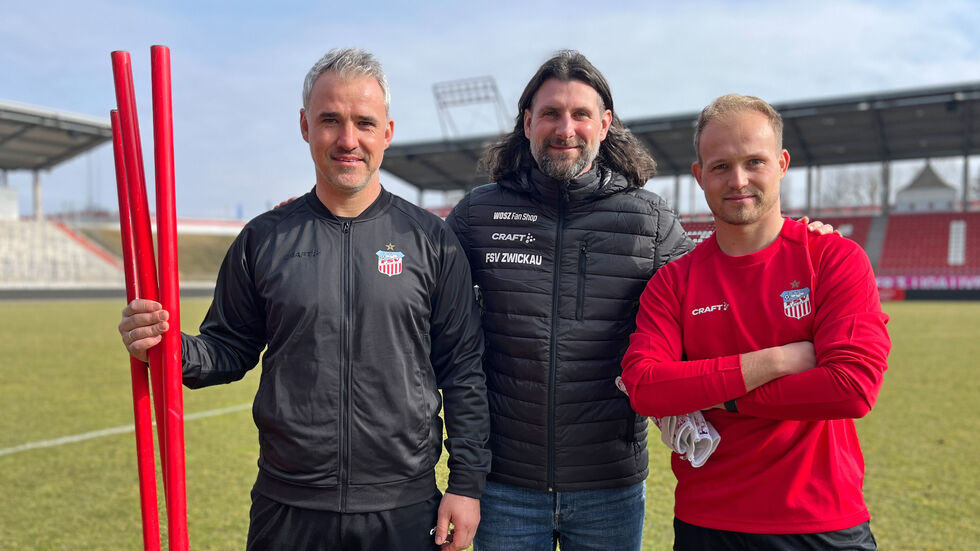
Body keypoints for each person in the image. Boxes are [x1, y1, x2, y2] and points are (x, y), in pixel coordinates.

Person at [118, 48, 490, 551]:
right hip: (288, 506)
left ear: (387, 131)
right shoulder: (263, 239)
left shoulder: (432, 240)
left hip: (402, 505)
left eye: (363, 122)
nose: (348, 139)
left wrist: (466, 484)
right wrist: (164, 347)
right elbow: (227, 349)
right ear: (304, 125)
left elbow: (462, 368)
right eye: (330, 120)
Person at [445, 50, 694, 551]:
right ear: (527, 122)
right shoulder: (478, 213)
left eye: (581, 114)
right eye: (551, 114)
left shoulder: (650, 220)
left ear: (604, 125)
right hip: (504, 486)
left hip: (610, 485)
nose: (566, 128)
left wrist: (797, 245)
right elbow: (416, 284)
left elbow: (716, 287)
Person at [620, 94, 890, 550]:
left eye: (754, 162)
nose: (738, 180)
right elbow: (645, 386)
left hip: (821, 520)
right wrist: (777, 360)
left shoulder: (833, 258)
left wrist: (719, 399)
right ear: (699, 175)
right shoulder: (674, 281)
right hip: (708, 523)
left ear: (782, 163)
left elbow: (853, 387)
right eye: (721, 166)